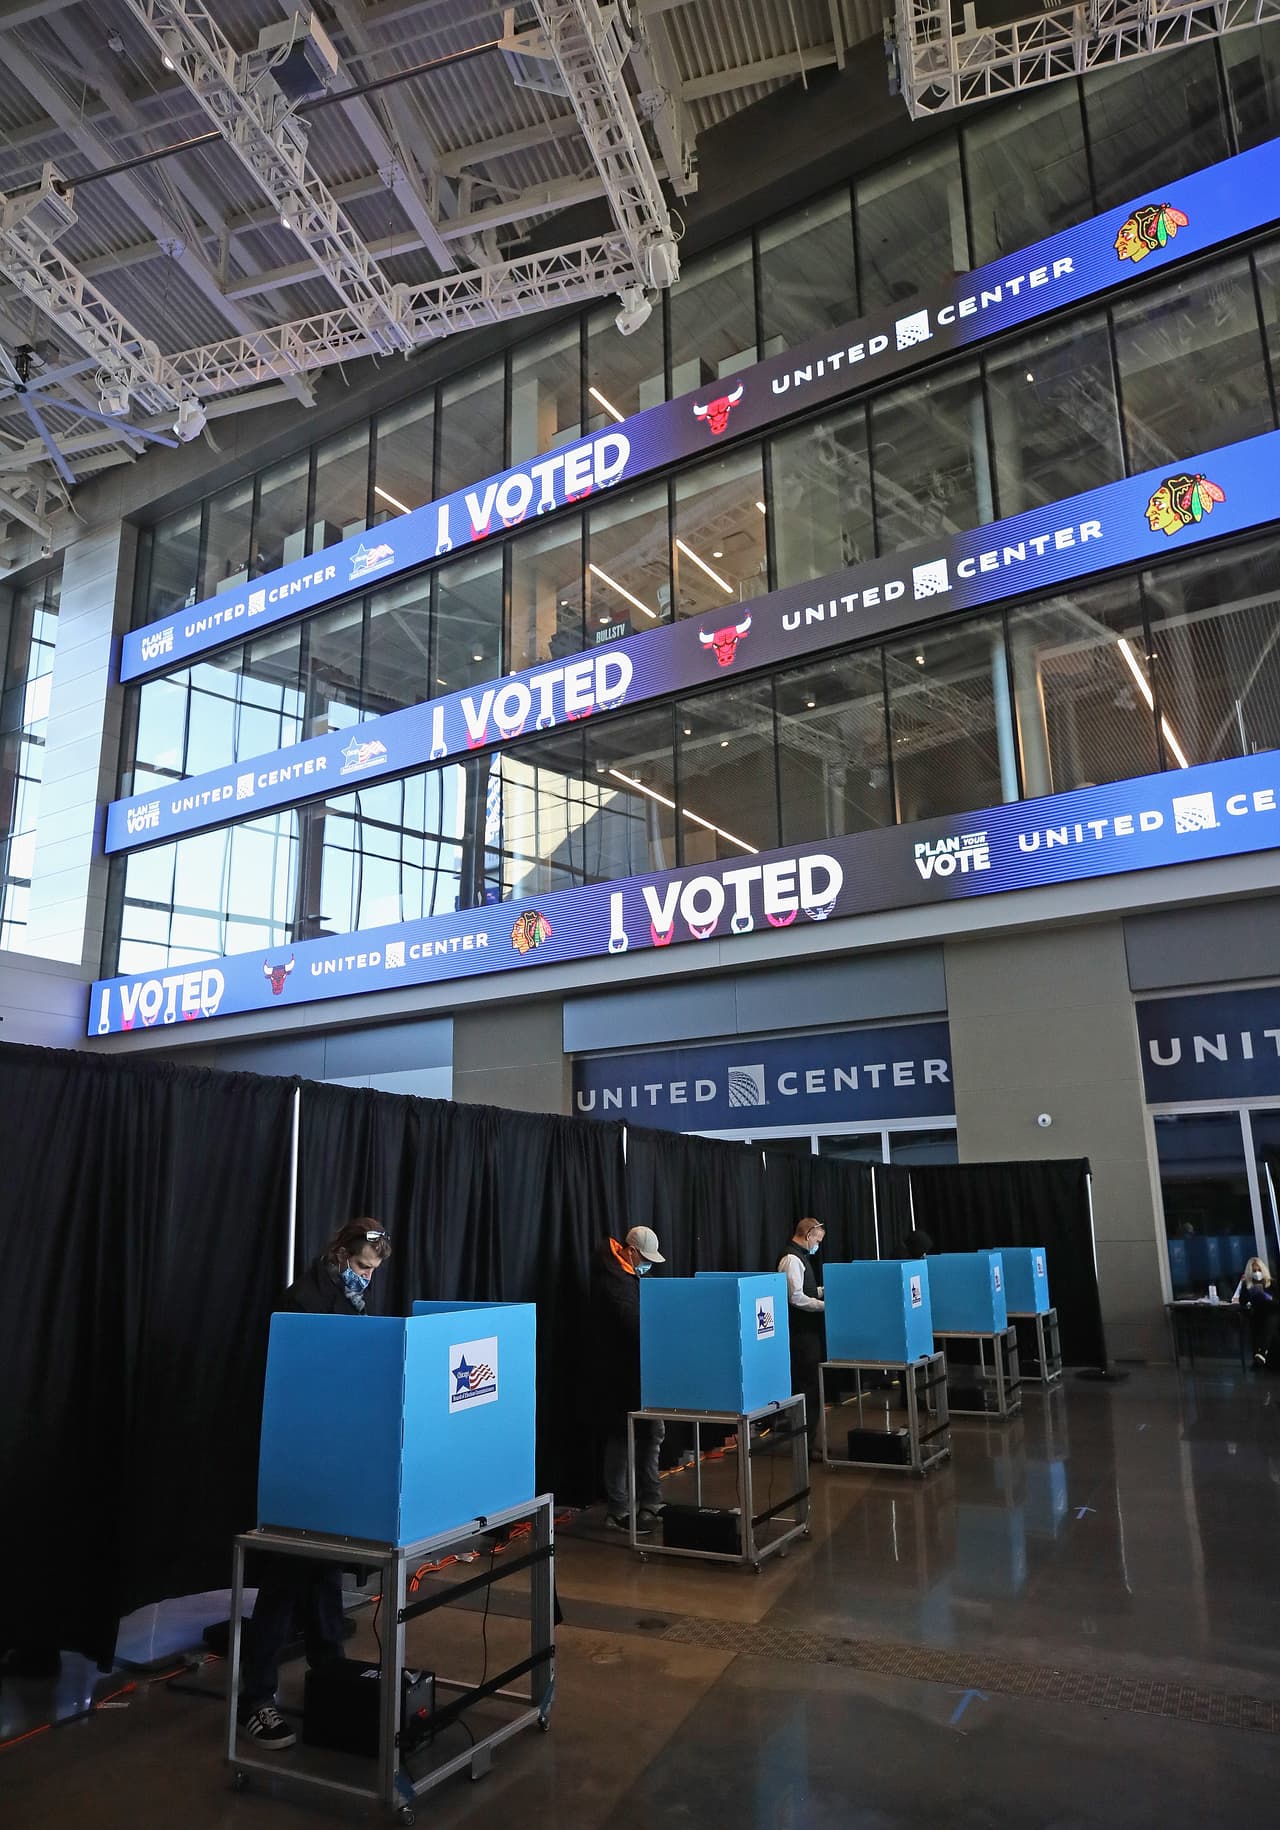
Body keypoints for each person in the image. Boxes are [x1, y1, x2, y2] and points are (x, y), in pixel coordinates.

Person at [238, 1219, 392, 1750]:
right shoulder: (302, 1301)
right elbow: (292, 1382)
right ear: (341, 1253)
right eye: (362, 1266)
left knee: (325, 1576)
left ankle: (331, 1680)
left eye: (374, 1270)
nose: (367, 1277)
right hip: (300, 1460)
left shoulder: (350, 1298)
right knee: (284, 1584)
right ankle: (256, 1700)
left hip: (333, 1456)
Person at [589, 1225, 666, 1534]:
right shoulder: (613, 1281)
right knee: (622, 1440)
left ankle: (652, 1500)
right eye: (645, 1259)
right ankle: (618, 1510)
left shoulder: (629, 1276)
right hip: (620, 1376)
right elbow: (631, 1325)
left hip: (643, 1372)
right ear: (631, 1251)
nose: (647, 1266)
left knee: (653, 1434)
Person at [778, 1217, 826, 1456]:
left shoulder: (801, 1258)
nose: (818, 1245)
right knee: (807, 1387)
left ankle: (810, 1441)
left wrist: (822, 1291)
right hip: (801, 1334)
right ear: (808, 1235)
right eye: (817, 1240)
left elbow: (805, 1290)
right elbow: (795, 1297)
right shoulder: (792, 1259)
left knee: (811, 1387)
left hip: (808, 1332)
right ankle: (805, 1446)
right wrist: (824, 1306)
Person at [1231, 1256, 1278, 1368]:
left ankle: (1262, 1352)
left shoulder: (1272, 1283)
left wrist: (1266, 1296)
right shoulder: (1247, 1284)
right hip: (1258, 1313)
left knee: (1271, 1319)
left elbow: (1277, 1302)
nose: (1257, 1273)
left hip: (1273, 1311)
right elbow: (1242, 1301)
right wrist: (1249, 1291)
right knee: (1258, 1322)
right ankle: (1261, 1355)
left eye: (1259, 1270)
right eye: (1254, 1271)